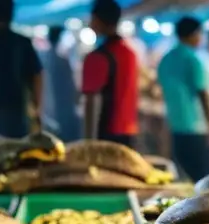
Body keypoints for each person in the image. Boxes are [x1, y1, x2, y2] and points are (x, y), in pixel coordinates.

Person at [0, 0, 42, 138]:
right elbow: (37, 75)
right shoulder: (23, 42)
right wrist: (36, 105)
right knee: (20, 150)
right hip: (19, 108)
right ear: (11, 16)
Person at [158, 16, 209, 182]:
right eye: (199, 34)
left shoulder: (166, 59)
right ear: (193, 34)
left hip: (175, 128)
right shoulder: (192, 59)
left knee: (183, 177)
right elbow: (202, 93)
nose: (201, 38)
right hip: (196, 128)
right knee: (203, 179)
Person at [82, 0, 139, 146]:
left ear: (97, 20)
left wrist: (89, 142)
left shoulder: (97, 57)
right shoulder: (130, 53)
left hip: (107, 133)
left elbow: (91, 102)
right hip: (129, 129)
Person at [41, 25, 80, 141]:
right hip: (61, 107)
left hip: (48, 107)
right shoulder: (61, 60)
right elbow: (71, 86)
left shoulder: (43, 58)